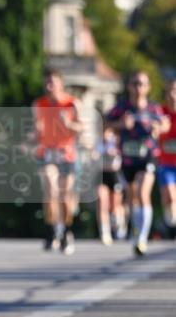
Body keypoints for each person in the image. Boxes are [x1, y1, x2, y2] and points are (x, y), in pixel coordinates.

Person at [106, 71, 168, 256]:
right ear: (129, 86)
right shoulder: (121, 107)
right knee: (132, 197)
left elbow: (165, 124)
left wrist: (158, 128)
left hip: (147, 156)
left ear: (148, 87)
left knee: (143, 192)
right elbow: (105, 124)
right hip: (127, 158)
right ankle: (136, 232)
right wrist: (120, 124)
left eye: (142, 84)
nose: (138, 87)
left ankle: (142, 237)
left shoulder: (153, 108)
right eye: (135, 83)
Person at [32, 68, 83, 255]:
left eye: (52, 82)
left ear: (61, 83)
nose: (49, 86)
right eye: (46, 83)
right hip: (47, 154)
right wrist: (33, 136)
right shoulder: (39, 104)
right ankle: (51, 230)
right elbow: (36, 130)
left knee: (64, 197)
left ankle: (66, 232)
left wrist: (68, 124)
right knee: (50, 190)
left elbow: (81, 128)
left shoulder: (72, 103)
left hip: (66, 154)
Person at [95, 125, 126, 245]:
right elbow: (94, 157)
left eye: (107, 132)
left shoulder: (116, 141)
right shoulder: (97, 143)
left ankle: (119, 222)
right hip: (102, 175)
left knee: (114, 204)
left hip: (115, 175)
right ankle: (104, 231)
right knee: (102, 202)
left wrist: (114, 152)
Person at [157, 78, 176, 240]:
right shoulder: (160, 112)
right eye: (170, 91)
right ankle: (170, 223)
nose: (173, 95)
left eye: (175, 91)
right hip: (166, 163)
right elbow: (153, 131)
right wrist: (159, 128)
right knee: (169, 195)